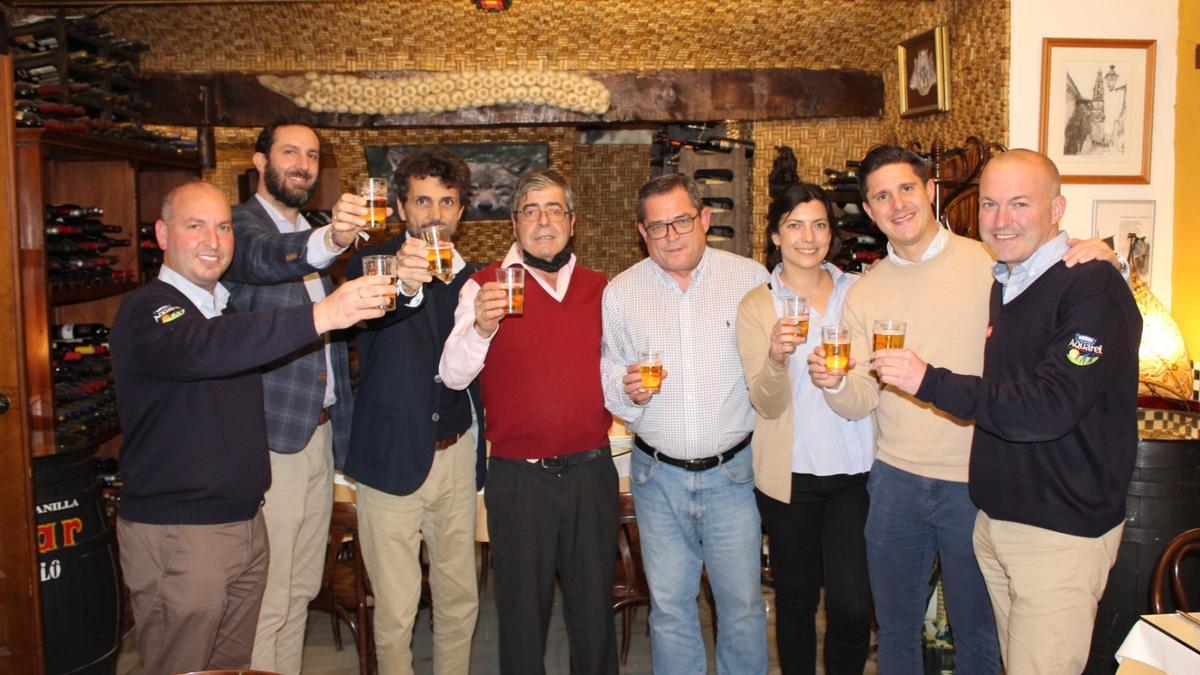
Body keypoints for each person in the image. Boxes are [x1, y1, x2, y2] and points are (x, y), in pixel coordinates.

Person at [806, 145, 1122, 674]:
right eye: (881, 196)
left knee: (979, 637)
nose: (897, 203)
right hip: (896, 480)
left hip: (975, 482)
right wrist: (836, 384)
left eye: (907, 188)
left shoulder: (994, 265)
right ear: (868, 208)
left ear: (931, 191)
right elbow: (864, 396)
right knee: (897, 630)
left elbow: (1059, 289)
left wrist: (1099, 252)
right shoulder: (865, 290)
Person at [110, 181, 392, 674]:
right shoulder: (151, 310)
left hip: (243, 522)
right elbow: (205, 347)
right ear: (161, 234)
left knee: (233, 666)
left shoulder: (223, 306)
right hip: (182, 532)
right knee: (182, 666)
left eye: (222, 228)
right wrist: (323, 313)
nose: (212, 241)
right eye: (194, 226)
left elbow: (242, 342)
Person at [440, 169, 618, 675]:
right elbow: (452, 376)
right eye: (531, 211)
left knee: (594, 619)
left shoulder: (601, 288)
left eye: (555, 209)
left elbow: (614, 369)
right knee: (519, 619)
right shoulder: (483, 287)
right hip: (519, 478)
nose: (544, 221)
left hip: (591, 472)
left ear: (572, 221)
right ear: (514, 223)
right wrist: (481, 325)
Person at [601, 173, 769, 675]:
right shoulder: (622, 292)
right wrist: (625, 390)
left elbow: (771, 370)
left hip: (733, 475)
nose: (672, 235)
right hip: (657, 477)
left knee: (741, 608)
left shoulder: (750, 280)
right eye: (658, 227)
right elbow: (609, 371)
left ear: (705, 219)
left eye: (681, 221)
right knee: (671, 610)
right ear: (641, 232)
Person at [220, 121, 364, 674]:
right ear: (260, 162)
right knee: (268, 591)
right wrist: (331, 240)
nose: (303, 164)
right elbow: (264, 258)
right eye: (289, 153)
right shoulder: (240, 228)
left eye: (311, 155)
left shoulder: (308, 226)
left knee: (302, 585)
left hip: (320, 432)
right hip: (272, 437)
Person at [342, 147, 487, 675]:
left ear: (460, 212)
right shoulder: (370, 266)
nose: (436, 213)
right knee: (397, 610)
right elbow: (379, 314)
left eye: (447, 202)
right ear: (402, 209)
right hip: (390, 462)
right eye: (423, 201)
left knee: (458, 600)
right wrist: (406, 283)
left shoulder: (472, 279)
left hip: (455, 456)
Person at [736, 182, 873, 675]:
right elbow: (765, 403)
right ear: (775, 235)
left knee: (854, 606)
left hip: (855, 475)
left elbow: (870, 391)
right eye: (795, 225)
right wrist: (775, 356)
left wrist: (840, 384)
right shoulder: (757, 306)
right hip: (789, 478)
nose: (808, 237)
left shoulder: (859, 292)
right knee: (795, 603)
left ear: (831, 234)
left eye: (819, 224)